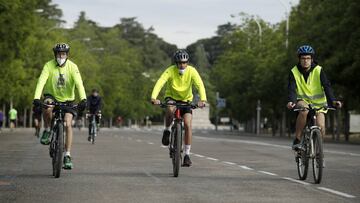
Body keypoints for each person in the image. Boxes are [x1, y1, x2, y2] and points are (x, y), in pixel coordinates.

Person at [33, 43, 87, 170]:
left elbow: (79, 84)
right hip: (51, 95)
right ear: (55, 54)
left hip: (68, 99)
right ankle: (47, 129)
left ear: (67, 55)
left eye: (63, 54)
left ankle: (67, 155)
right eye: (58, 54)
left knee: (68, 124)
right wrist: (36, 97)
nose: (60, 56)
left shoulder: (73, 67)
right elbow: (41, 81)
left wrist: (83, 99)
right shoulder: (48, 65)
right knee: (47, 107)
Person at [151, 50, 207, 167]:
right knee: (170, 109)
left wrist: (203, 99)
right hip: (171, 98)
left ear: (187, 62)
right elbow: (160, 82)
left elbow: (199, 84)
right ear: (176, 63)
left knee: (187, 124)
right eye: (180, 63)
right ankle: (167, 130)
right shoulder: (170, 70)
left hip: (186, 100)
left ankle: (186, 155)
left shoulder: (192, 71)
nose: (182, 65)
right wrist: (154, 97)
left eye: (184, 62)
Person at [287, 45, 342, 151]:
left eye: (308, 58)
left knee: (321, 126)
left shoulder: (318, 70)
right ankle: (297, 139)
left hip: (319, 103)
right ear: (299, 59)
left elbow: (327, 86)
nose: (305, 61)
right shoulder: (293, 71)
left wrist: (334, 101)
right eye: (303, 58)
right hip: (302, 101)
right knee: (304, 110)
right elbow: (291, 88)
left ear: (312, 59)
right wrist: (291, 101)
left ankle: (318, 154)